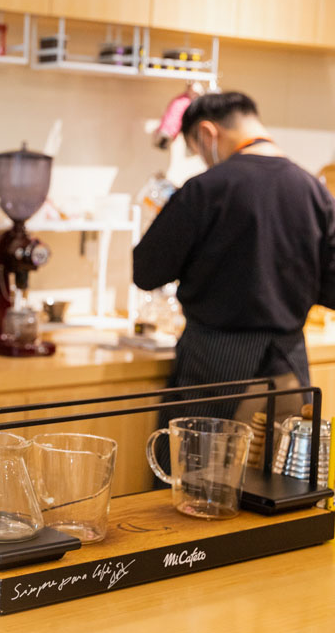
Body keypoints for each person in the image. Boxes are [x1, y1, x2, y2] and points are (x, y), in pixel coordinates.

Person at [134, 91, 335, 432]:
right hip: (289, 367)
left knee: (196, 465)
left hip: (215, 369)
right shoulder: (315, 192)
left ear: (207, 133)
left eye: (198, 150)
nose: (205, 160)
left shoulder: (206, 189)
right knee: (281, 464)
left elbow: (147, 271)